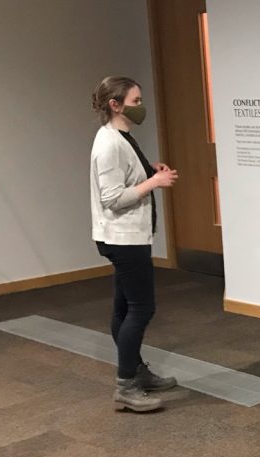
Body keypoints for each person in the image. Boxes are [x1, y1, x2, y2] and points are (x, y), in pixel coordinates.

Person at [89, 76, 180, 412]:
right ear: (116, 104)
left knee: (124, 308)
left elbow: (128, 177)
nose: (141, 107)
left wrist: (148, 171)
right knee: (142, 308)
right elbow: (112, 197)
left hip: (127, 236)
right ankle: (126, 385)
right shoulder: (109, 144)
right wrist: (154, 182)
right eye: (136, 101)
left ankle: (136, 371)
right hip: (123, 238)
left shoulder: (121, 137)